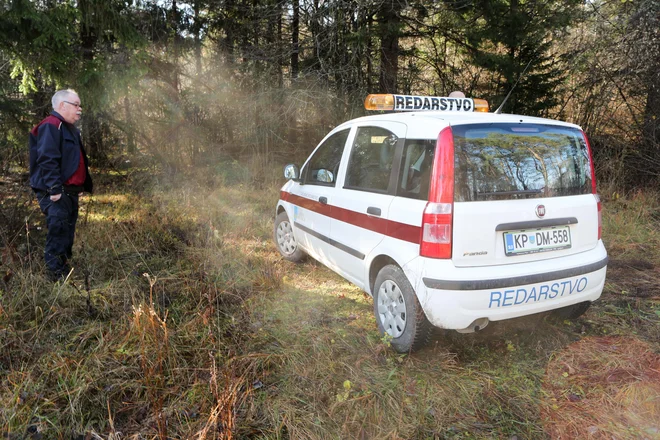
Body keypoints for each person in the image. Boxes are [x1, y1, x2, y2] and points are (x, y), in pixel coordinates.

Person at [28, 89, 93, 281]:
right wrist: (54, 189)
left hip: (69, 192)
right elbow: (47, 158)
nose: (79, 109)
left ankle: (64, 270)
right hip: (56, 192)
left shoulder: (69, 128)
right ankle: (54, 277)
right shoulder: (51, 125)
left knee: (67, 232)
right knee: (58, 232)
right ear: (62, 105)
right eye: (76, 104)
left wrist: (78, 187)